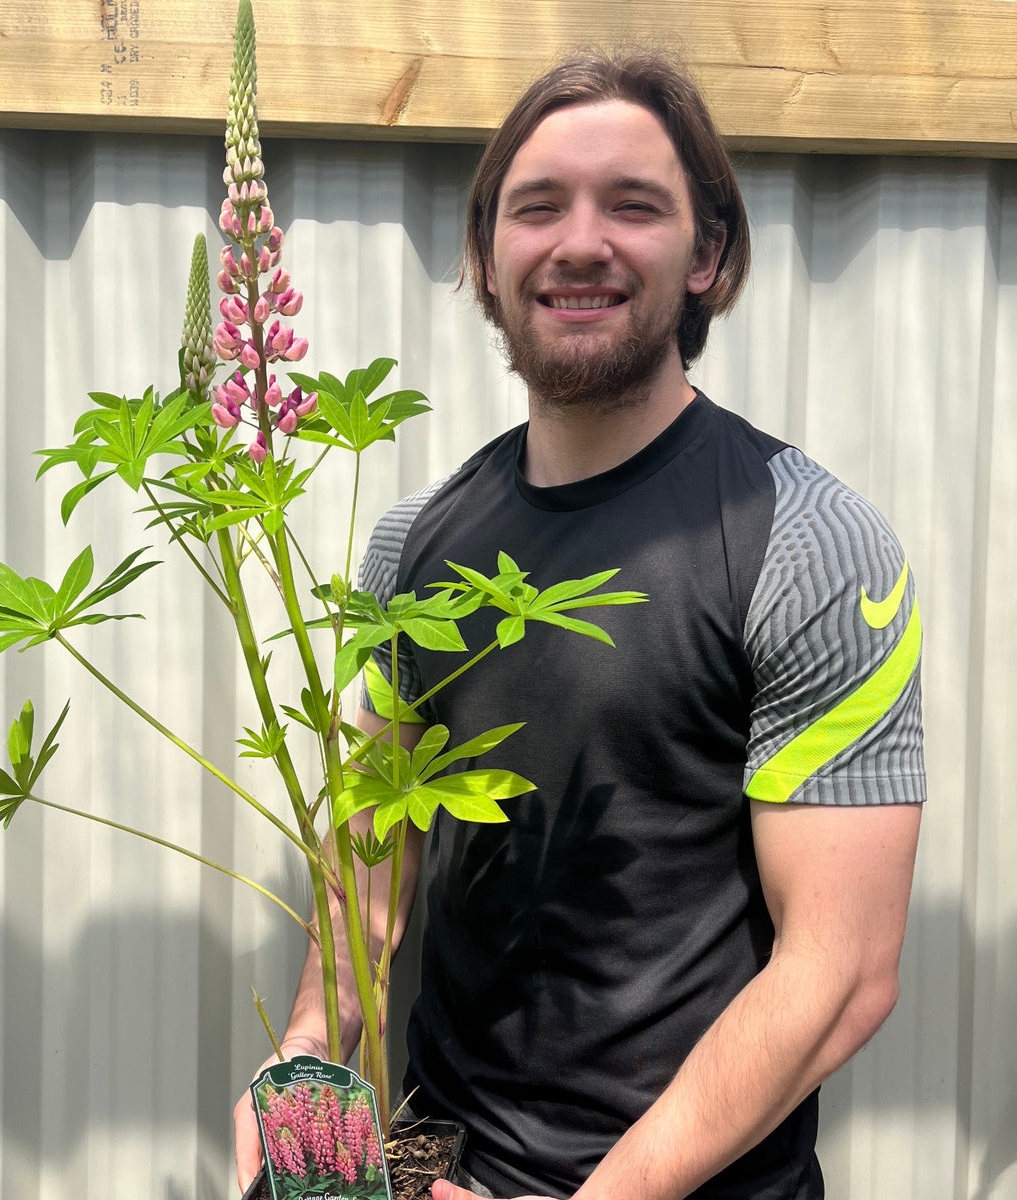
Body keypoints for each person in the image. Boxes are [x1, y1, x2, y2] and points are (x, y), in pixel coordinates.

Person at [234, 50, 924, 1200]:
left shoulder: (808, 540)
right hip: (431, 1170)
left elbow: (841, 975)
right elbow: (374, 854)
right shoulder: (413, 540)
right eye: (538, 206)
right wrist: (312, 1040)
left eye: (634, 205)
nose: (580, 240)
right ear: (489, 261)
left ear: (706, 255)